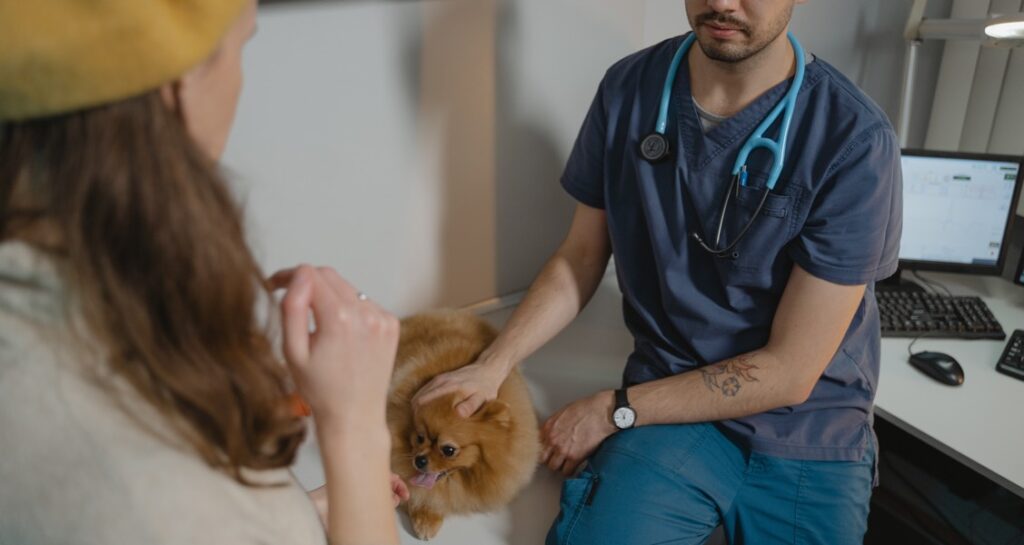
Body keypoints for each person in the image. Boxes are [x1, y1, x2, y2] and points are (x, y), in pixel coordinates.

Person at [413, 1, 902, 543]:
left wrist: (615, 411)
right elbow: (580, 257)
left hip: (809, 428)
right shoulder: (630, 89)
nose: (721, 2)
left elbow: (791, 371)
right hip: (674, 407)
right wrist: (493, 365)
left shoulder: (853, 140)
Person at [0, 1, 406, 544]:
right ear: (180, 84)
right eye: (244, 45)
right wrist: (356, 428)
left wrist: (296, 517)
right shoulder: (157, 502)